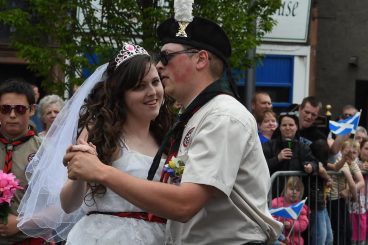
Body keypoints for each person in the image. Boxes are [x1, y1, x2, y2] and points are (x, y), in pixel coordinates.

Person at [63, 7, 283, 245]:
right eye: (139, 86)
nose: (158, 66)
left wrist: (101, 171)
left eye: (166, 57)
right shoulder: (191, 119)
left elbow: (184, 204)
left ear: (200, 59)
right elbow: (69, 201)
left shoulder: (222, 116)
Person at [16, 43, 173, 244]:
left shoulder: (168, 138)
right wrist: (81, 174)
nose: (152, 92)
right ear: (121, 95)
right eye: (140, 86)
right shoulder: (102, 137)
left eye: (155, 82)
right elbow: (68, 204)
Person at [0, 79, 43, 244]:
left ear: (32, 110)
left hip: (28, 239)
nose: (12, 115)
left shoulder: (45, 151)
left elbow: (59, 205)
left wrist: (20, 223)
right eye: (5, 109)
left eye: (19, 109)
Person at [327, 139, 365, 245]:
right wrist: (354, 197)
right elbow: (352, 183)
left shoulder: (352, 163)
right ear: (342, 151)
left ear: (358, 154)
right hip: (333, 199)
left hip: (342, 200)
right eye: (348, 152)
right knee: (340, 230)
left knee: (347, 230)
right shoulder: (340, 160)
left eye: (354, 152)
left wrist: (348, 192)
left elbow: (361, 182)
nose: (351, 155)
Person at [271, 176, 309, 245]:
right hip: (278, 239)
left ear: (301, 193)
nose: (294, 192)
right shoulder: (276, 202)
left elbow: (303, 224)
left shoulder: (300, 207)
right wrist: (279, 223)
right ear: (285, 189)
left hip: (295, 241)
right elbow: (270, 216)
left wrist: (291, 224)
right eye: (291, 189)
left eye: (297, 190)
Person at [350, 138, 368, 245]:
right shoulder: (354, 161)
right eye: (366, 148)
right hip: (357, 206)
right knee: (357, 238)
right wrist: (360, 168)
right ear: (360, 149)